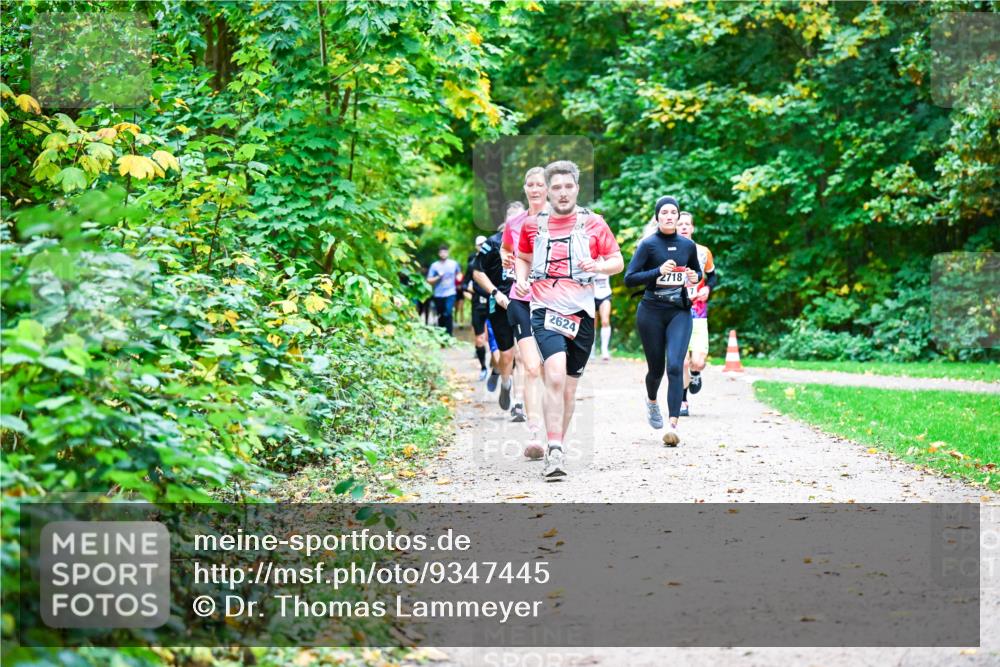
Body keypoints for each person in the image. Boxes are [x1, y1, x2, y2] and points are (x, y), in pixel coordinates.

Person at [514, 160, 624, 479]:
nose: (563, 193)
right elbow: (522, 258)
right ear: (547, 191)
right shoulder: (533, 225)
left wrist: (598, 267)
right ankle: (556, 451)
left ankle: (555, 445)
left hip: (582, 314)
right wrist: (521, 279)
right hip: (545, 310)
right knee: (556, 375)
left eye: (568, 187)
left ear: (577, 188)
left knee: (568, 392)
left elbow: (617, 261)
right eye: (556, 187)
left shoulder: (595, 224)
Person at [623, 196, 701, 446]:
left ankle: (673, 425)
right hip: (651, 312)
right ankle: (652, 401)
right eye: (664, 212)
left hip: (679, 310)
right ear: (657, 217)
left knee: (676, 366)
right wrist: (658, 271)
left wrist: (692, 274)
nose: (669, 216)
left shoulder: (687, 246)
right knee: (656, 370)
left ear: (678, 217)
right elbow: (630, 278)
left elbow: (697, 272)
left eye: (673, 212)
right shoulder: (648, 245)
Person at [502, 171, 548, 458]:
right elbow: (506, 251)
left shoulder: (559, 219)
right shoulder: (514, 223)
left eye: (539, 185)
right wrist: (507, 260)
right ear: (524, 188)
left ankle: (555, 430)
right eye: (530, 184)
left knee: (553, 370)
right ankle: (534, 433)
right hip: (521, 299)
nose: (534, 189)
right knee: (531, 367)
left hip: (554, 301)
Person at [472, 226, 518, 411]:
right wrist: (495, 293)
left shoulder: (533, 240)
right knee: (503, 354)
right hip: (493, 305)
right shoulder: (491, 245)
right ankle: (498, 372)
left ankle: (518, 403)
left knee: (521, 355)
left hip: (523, 304)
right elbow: (476, 275)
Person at [676, 211, 717, 416]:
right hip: (676, 312)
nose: (683, 227)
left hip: (698, 313)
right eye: (680, 224)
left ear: (692, 228)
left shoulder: (703, 252)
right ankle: (683, 401)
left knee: (698, 362)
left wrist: (707, 289)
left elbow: (713, 277)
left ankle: (695, 373)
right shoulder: (667, 251)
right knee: (681, 360)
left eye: (687, 224)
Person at [466, 236, 491, 380]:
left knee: (495, 339)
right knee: (480, 340)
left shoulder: (494, 260)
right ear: (476, 246)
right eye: (479, 245)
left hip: (492, 304)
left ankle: (499, 366)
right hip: (477, 306)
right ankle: (483, 367)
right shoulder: (472, 264)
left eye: (484, 244)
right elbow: (464, 284)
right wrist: (469, 291)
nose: (482, 246)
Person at [426, 245, 462, 336]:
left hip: (451, 292)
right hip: (438, 294)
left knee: (448, 312)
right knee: (441, 314)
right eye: (441, 252)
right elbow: (429, 280)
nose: (443, 254)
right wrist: (438, 277)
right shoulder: (434, 266)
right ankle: (442, 334)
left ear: (448, 253)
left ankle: (449, 334)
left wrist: (459, 279)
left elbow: (459, 274)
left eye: (445, 252)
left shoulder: (454, 264)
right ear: (439, 254)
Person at [593, 273, 613, 360]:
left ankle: (604, 349)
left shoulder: (607, 260)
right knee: (592, 324)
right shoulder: (588, 261)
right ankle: (591, 349)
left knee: (605, 321)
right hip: (591, 296)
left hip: (605, 295)